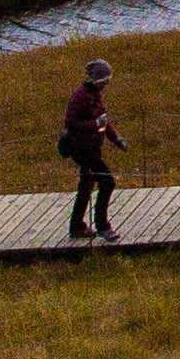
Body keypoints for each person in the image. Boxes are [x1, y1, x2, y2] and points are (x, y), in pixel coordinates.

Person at [59, 58, 122, 243]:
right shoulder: (80, 97)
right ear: (97, 79)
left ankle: (76, 226)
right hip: (81, 149)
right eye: (105, 80)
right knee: (107, 182)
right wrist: (95, 124)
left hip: (92, 148)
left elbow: (103, 121)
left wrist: (116, 139)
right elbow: (72, 124)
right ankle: (103, 227)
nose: (107, 83)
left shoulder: (94, 94)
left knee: (86, 184)